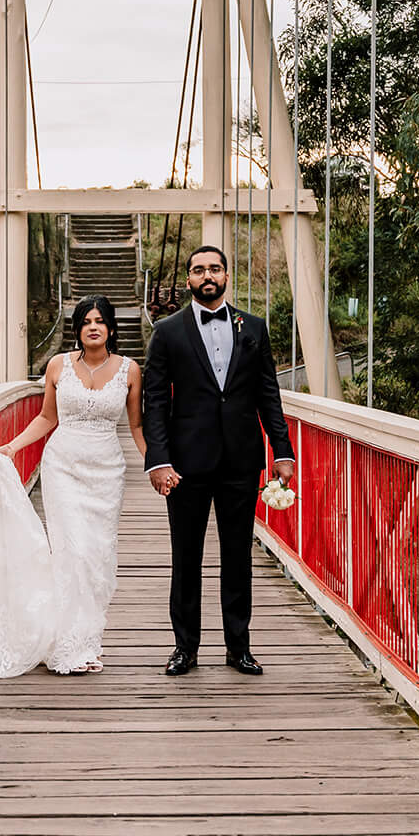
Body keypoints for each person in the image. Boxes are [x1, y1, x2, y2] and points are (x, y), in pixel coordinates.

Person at [141, 244, 295, 675]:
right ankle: (185, 649)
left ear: (226, 275)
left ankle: (238, 647)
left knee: (237, 558)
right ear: (188, 278)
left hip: (241, 462)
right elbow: (154, 401)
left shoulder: (254, 328)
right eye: (198, 270)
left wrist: (281, 452)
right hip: (185, 464)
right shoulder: (168, 332)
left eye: (214, 268)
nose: (206, 275)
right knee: (185, 558)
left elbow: (269, 394)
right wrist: (159, 460)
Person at [0, 296, 147, 676]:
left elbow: (136, 426)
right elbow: (45, 418)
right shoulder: (58, 366)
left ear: (112, 328)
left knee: (96, 558)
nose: (93, 327)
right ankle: (67, 645)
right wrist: (12, 446)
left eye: (101, 320)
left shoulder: (130, 370)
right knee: (73, 552)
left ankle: (87, 640)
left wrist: (157, 464)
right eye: (86, 321)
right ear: (78, 330)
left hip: (107, 471)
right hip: (62, 466)